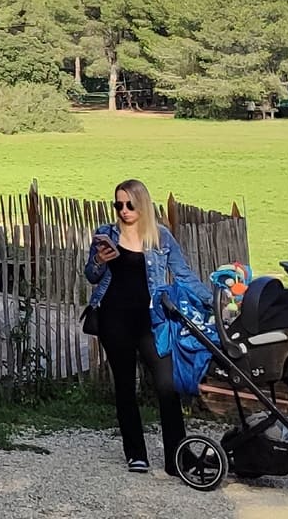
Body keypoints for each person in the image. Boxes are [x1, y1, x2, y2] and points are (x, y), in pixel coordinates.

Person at [81, 179, 198, 475]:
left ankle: (177, 458)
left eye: (129, 204)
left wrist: (213, 301)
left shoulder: (160, 237)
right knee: (124, 386)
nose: (123, 210)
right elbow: (91, 276)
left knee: (167, 387)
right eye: (118, 204)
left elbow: (184, 276)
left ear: (142, 204)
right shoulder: (105, 234)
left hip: (152, 320)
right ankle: (136, 454)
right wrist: (99, 259)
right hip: (113, 319)